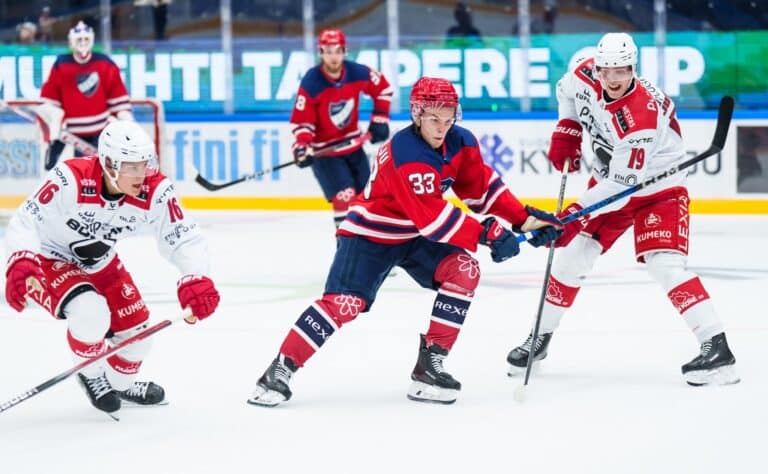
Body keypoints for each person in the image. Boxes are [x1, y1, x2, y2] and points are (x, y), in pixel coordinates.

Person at [247, 77, 562, 407]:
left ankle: (429, 366)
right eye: (433, 119)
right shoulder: (406, 152)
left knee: (464, 270)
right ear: (416, 115)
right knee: (344, 305)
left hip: (414, 235)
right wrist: (486, 233)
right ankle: (279, 369)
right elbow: (434, 219)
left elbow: (481, 188)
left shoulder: (461, 142)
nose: (442, 127)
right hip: (370, 233)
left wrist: (524, 219)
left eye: (449, 117)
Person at [506, 32, 739, 387]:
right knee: (572, 258)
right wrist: (567, 128)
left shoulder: (641, 114)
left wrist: (571, 214)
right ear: (596, 67)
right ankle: (540, 338)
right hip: (611, 180)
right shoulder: (583, 75)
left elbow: (622, 188)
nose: (612, 78)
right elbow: (563, 90)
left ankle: (716, 346)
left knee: (665, 265)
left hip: (656, 187)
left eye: (622, 70)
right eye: (606, 70)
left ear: (634, 68)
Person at [3, 120, 221, 416]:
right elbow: (26, 219)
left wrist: (196, 277)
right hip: (51, 257)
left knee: (139, 342)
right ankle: (91, 375)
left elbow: (183, 236)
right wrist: (22, 260)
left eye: (144, 164)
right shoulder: (71, 178)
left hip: (101, 259)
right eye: (131, 167)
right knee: (91, 314)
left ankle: (119, 384)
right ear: (107, 163)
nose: (141, 174)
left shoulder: (155, 190)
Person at [290, 29, 393, 228]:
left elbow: (383, 88)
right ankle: (345, 247)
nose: (334, 56)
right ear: (321, 52)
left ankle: (368, 247)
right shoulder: (312, 81)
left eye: (338, 50)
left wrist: (380, 119)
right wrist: (302, 145)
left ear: (344, 51)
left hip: (353, 148)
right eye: (328, 51)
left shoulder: (357, 72)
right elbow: (302, 121)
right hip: (325, 154)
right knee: (345, 197)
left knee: (369, 198)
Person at [38, 21, 134, 171]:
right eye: (79, 39)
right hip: (72, 133)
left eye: (86, 39)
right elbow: (50, 98)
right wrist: (55, 121)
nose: (83, 43)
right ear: (71, 41)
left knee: (98, 174)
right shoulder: (61, 64)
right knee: (69, 171)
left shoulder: (104, 63)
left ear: (92, 40)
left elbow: (117, 94)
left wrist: (126, 120)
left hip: (100, 131)